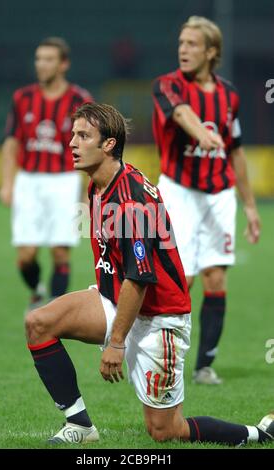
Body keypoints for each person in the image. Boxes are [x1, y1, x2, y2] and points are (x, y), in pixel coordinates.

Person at [25, 102, 273, 446]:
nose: (72, 143)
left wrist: (115, 343)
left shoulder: (132, 200)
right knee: (39, 324)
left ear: (109, 144)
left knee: (165, 431)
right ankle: (80, 426)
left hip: (159, 317)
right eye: (73, 135)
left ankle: (259, 434)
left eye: (83, 136)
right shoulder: (99, 184)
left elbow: (140, 278)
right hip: (117, 299)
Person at [152, 16, 261, 385]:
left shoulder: (229, 95)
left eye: (192, 44)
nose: (183, 49)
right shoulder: (166, 84)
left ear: (211, 51)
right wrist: (202, 134)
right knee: (181, 278)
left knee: (216, 278)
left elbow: (238, 153)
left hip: (219, 195)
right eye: (181, 42)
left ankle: (204, 365)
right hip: (179, 191)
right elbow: (181, 113)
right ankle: (167, 356)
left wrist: (249, 206)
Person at [0, 37, 93, 309]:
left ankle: (52, 310)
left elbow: (91, 147)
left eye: (49, 59)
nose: (41, 64)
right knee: (26, 255)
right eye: (39, 58)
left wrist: (88, 192)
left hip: (64, 180)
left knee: (60, 251)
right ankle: (37, 290)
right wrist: (8, 184)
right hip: (29, 180)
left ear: (64, 64)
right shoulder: (23, 98)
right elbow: (11, 142)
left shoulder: (80, 100)